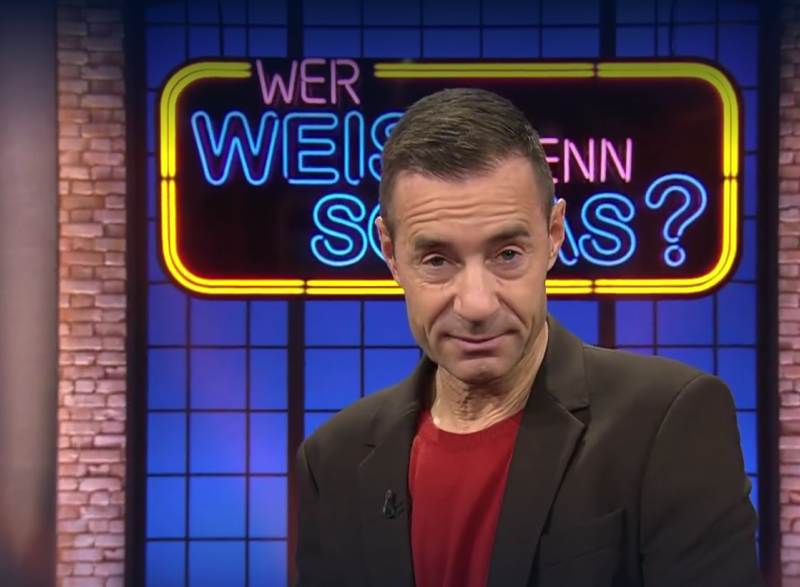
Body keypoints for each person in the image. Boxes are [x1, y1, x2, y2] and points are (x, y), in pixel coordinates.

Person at [294, 88, 762, 587]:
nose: (476, 304)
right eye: (437, 260)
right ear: (390, 253)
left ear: (554, 234)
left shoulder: (668, 422)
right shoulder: (332, 459)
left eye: (507, 255)